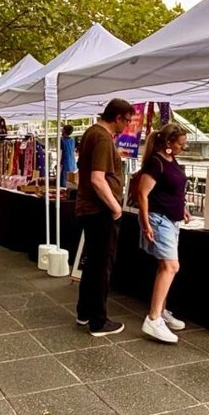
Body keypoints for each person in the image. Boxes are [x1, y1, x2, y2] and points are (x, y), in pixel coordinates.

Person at [75, 98, 134, 336]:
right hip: (100, 211)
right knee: (101, 265)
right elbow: (97, 179)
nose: (127, 126)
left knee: (93, 263)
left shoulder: (92, 133)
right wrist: (116, 208)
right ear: (118, 117)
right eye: (127, 121)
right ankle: (98, 320)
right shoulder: (101, 138)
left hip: (91, 209)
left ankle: (84, 312)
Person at [136, 123, 189, 343]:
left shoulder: (170, 160)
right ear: (168, 144)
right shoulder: (156, 162)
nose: (183, 147)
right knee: (171, 266)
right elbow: (142, 193)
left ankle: (161, 311)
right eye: (180, 144)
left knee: (164, 266)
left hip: (171, 219)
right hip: (160, 219)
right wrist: (146, 222)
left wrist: (182, 207)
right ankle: (154, 317)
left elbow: (174, 189)